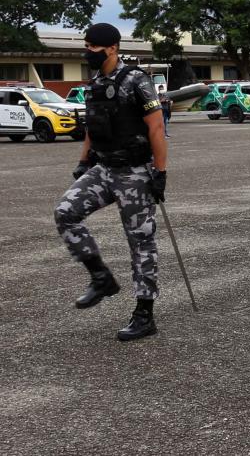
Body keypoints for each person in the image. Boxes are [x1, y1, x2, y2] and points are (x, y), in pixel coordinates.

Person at [53, 23, 167, 341]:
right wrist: (83, 159)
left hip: (135, 172)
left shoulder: (135, 79)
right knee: (65, 212)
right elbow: (92, 125)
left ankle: (144, 314)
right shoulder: (95, 83)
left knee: (141, 243)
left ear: (112, 48)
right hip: (104, 169)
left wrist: (160, 172)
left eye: (92, 46)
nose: (87, 51)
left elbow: (156, 127)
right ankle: (101, 277)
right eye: (86, 46)